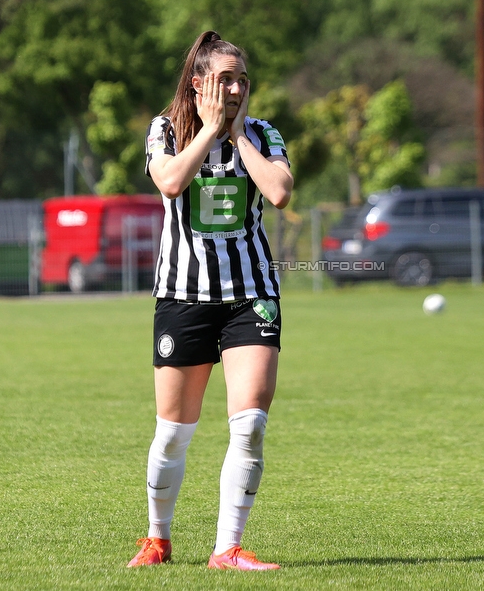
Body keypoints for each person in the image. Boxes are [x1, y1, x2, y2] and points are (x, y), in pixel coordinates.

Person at [127, 31, 293, 569]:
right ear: (199, 84)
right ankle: (158, 538)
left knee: (250, 424)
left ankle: (228, 548)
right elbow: (171, 182)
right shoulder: (166, 130)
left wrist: (237, 134)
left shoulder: (264, 134)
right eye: (225, 79)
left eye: (243, 79)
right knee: (174, 435)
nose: (237, 87)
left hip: (251, 297)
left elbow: (281, 191)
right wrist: (209, 131)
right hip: (184, 296)